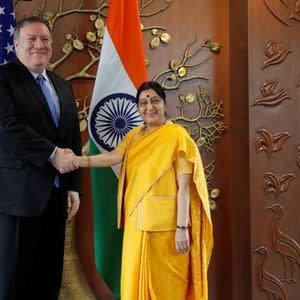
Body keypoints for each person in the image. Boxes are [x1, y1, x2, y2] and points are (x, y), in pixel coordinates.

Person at [79, 81, 213, 299]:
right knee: (134, 284)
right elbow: (113, 157)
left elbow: (185, 188)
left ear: (164, 104)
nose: (149, 107)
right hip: (135, 224)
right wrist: (79, 161)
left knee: (166, 289)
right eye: (143, 103)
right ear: (138, 108)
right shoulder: (134, 135)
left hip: (166, 228)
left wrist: (181, 227)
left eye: (154, 101)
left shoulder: (177, 136)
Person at [0, 16, 81, 300]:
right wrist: (51, 154)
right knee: (12, 288)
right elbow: (4, 127)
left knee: (47, 284)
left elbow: (71, 138)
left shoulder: (63, 85)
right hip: (13, 201)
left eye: (45, 39)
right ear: (16, 45)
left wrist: (72, 185)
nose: (40, 45)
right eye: (31, 39)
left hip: (54, 200)